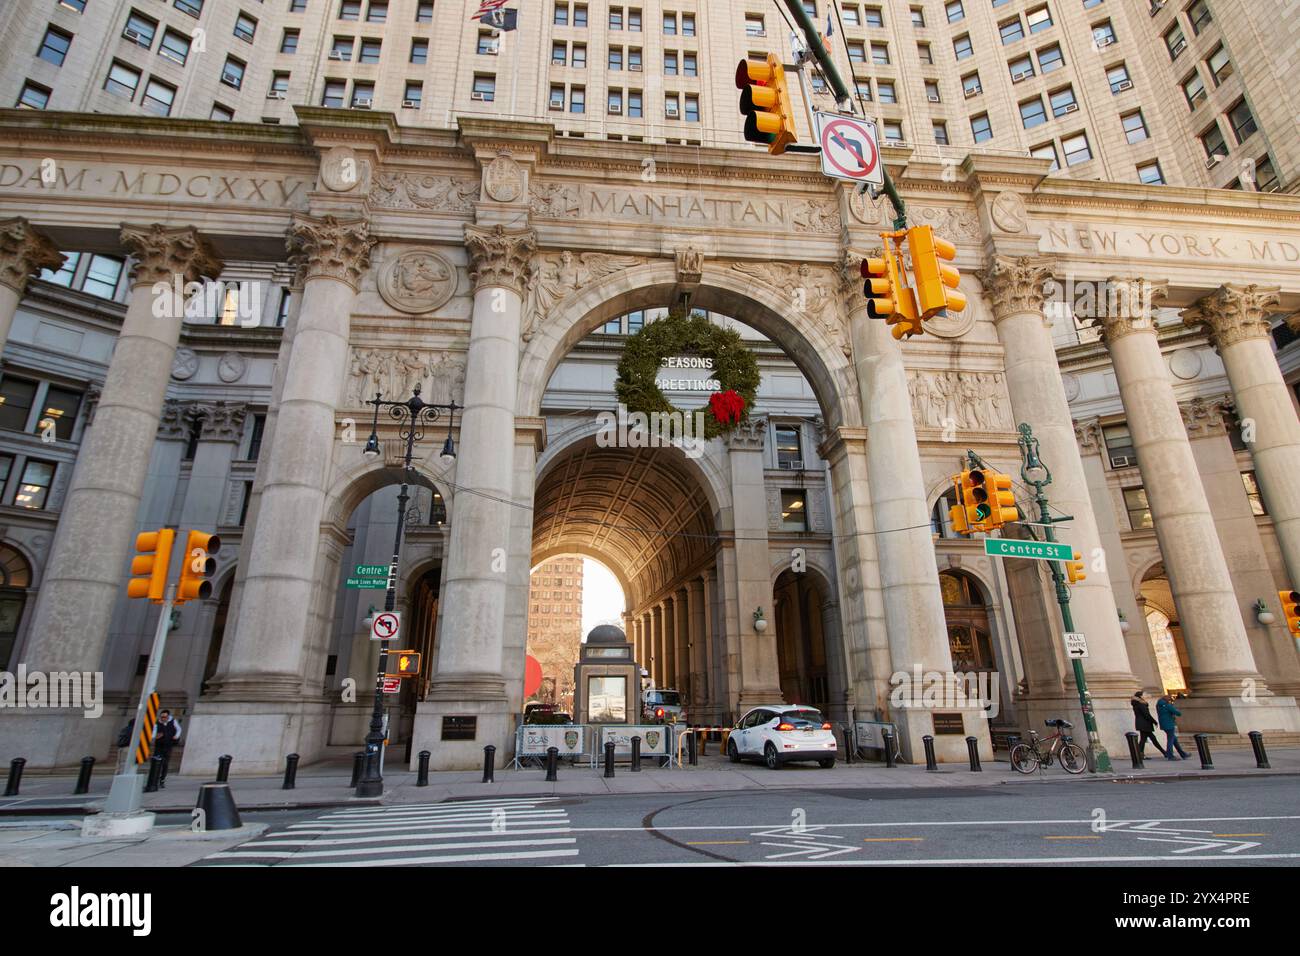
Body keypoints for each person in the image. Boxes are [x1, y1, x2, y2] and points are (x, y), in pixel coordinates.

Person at [1131, 690, 1168, 759]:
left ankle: (1139, 755)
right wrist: (1154, 721)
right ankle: (1164, 753)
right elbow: (1146, 715)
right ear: (1141, 696)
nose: (1146, 696)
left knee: (1145, 740)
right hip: (1144, 724)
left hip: (1142, 724)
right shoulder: (1141, 704)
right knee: (1150, 739)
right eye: (1144, 695)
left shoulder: (1137, 704)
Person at [154, 710, 183, 788]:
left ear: (168, 717)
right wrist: (155, 736)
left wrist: (176, 736)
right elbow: (153, 732)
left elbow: (179, 729)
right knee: (156, 762)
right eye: (162, 717)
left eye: (165, 717)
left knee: (165, 763)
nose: (163, 718)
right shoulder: (157, 723)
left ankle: (162, 780)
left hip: (168, 745)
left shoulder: (172, 721)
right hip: (159, 745)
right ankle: (155, 779)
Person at [1157, 692, 1190, 759]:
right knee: (1170, 740)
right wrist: (1172, 706)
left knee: (1174, 740)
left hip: (1163, 724)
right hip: (1169, 724)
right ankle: (1170, 755)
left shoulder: (1158, 705)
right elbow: (1178, 713)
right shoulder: (1168, 705)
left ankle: (1183, 754)